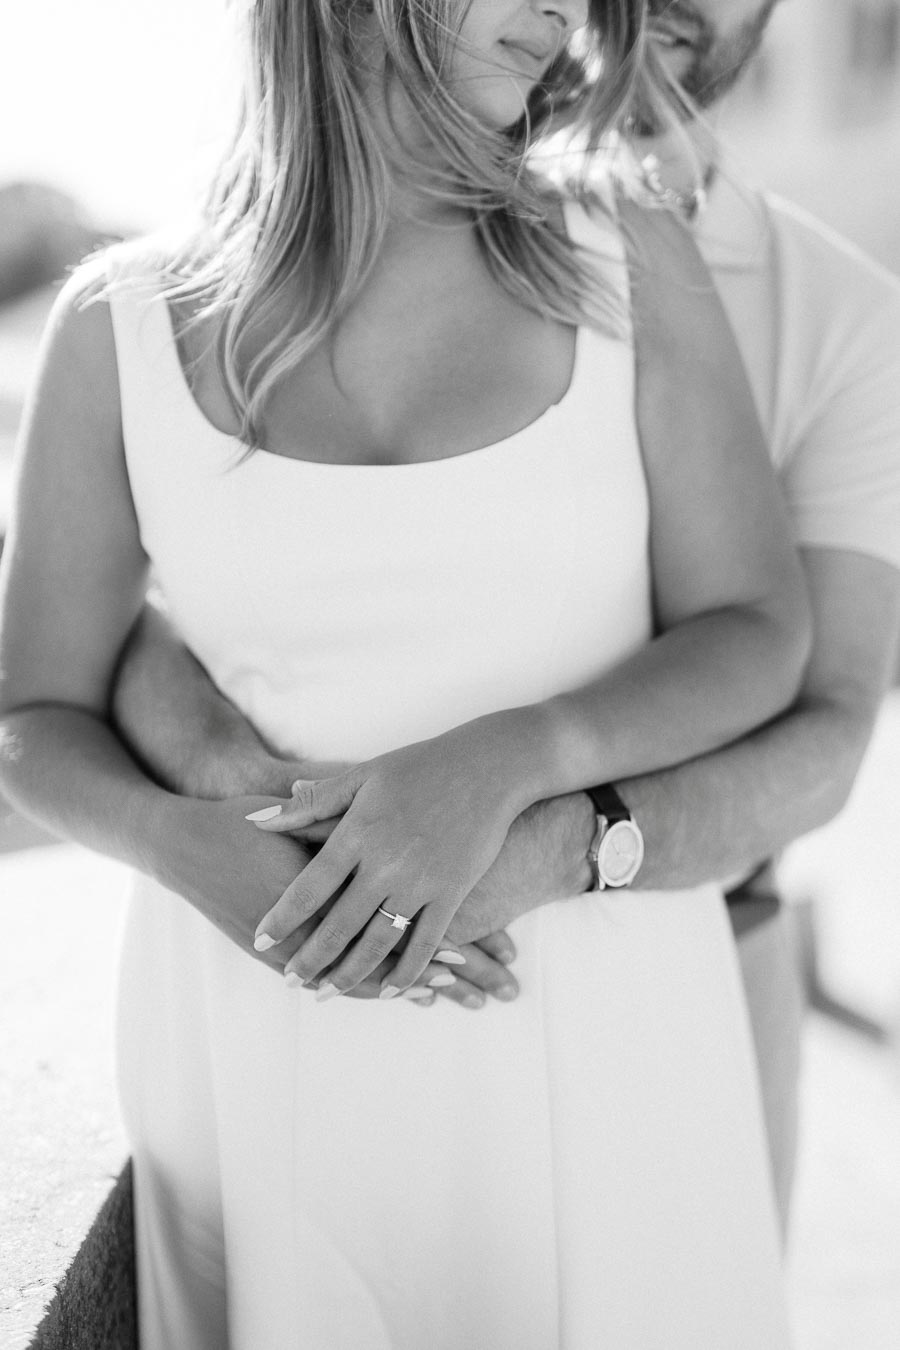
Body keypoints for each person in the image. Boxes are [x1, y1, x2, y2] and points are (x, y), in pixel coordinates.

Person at [0, 2, 811, 1346]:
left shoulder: (626, 256)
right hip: (259, 1058)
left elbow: (756, 629)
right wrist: (181, 844)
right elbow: (31, 713)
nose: (568, 12)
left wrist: (512, 757)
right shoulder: (118, 330)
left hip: (604, 1047)